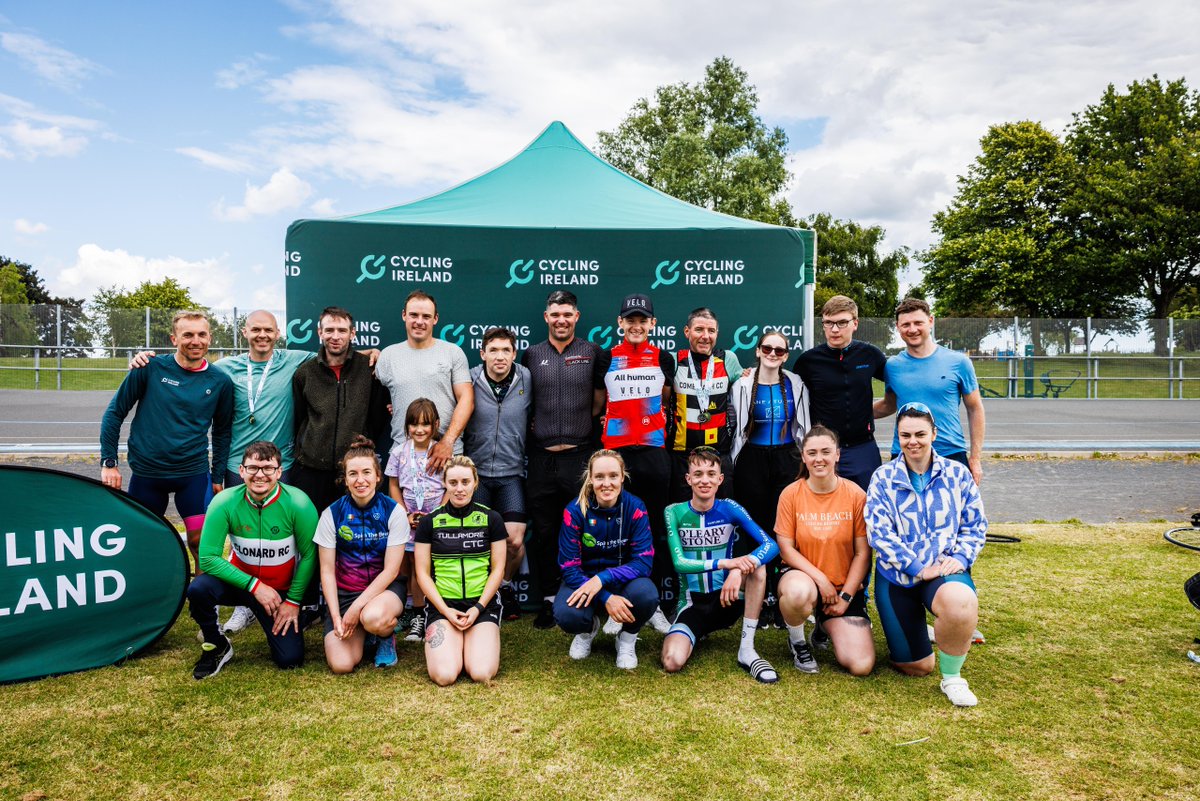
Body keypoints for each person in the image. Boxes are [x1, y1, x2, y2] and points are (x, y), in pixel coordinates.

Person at [866, 402, 987, 707]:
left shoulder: (958, 475)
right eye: (905, 435)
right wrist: (918, 567)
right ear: (898, 436)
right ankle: (929, 633)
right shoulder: (882, 478)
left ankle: (953, 679)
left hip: (944, 570)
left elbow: (975, 525)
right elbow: (879, 534)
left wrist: (960, 558)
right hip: (898, 577)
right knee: (918, 667)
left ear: (934, 433)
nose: (913, 441)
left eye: (920, 433)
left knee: (961, 604)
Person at [100, 311, 233, 570]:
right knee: (142, 539)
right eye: (188, 335)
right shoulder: (148, 368)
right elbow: (115, 413)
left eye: (201, 334)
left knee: (200, 541)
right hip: (148, 475)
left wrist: (217, 476)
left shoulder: (220, 382)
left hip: (192, 475)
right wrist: (109, 462)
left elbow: (222, 431)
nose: (195, 341)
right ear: (174, 339)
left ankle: (204, 604)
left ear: (210, 338)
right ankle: (150, 592)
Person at [187, 441, 318, 679]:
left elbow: (310, 554)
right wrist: (255, 586)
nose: (260, 475)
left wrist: (294, 601)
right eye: (253, 468)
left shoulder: (298, 503)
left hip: (278, 593)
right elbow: (207, 559)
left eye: (268, 468)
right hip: (241, 584)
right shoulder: (224, 502)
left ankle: (264, 615)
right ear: (241, 471)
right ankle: (216, 643)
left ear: (279, 472)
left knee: (290, 659)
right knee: (198, 589)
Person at [521, 290, 604, 629]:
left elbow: (599, 402)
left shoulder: (592, 352)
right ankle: (547, 599)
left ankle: (582, 595)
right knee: (543, 532)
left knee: (580, 530)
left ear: (576, 316)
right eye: (555, 314)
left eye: (567, 314)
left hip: (579, 456)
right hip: (541, 459)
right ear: (546, 317)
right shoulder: (530, 355)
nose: (561, 320)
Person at [661, 447, 780, 683]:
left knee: (757, 567)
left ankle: (747, 650)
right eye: (698, 474)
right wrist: (727, 563)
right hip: (693, 605)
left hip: (728, 598)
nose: (704, 480)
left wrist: (737, 570)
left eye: (710, 474)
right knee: (672, 661)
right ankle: (697, 633)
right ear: (688, 479)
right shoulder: (673, 512)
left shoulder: (729, 508)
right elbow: (679, 563)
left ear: (720, 479)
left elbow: (770, 545)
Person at [595, 293, 676, 633]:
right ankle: (619, 604)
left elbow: (667, 400)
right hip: (617, 454)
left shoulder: (663, 357)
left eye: (643, 320)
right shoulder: (606, 357)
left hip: (653, 452)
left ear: (652, 324)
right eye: (631, 319)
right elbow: (600, 404)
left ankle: (653, 602)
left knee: (655, 530)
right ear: (620, 323)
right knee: (617, 530)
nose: (637, 325)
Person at [775, 425, 875, 677]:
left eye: (826, 452)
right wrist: (820, 579)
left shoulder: (855, 495)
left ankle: (823, 626)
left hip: (841, 589)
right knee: (798, 593)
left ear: (837, 455)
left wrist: (846, 598)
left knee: (861, 665)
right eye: (812, 452)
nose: (819, 458)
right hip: (804, 580)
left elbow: (863, 553)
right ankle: (798, 642)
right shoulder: (791, 494)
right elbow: (786, 549)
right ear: (804, 456)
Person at [555, 449, 658, 670]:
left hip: (621, 581)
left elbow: (644, 562)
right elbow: (569, 568)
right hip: (584, 580)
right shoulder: (574, 511)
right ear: (590, 479)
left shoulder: (636, 507)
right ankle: (587, 630)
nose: (606, 483)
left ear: (623, 476)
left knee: (647, 595)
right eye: (600, 477)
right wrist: (606, 597)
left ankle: (627, 639)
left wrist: (603, 579)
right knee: (566, 614)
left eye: (613, 475)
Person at [316, 436, 410, 673]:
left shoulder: (394, 511)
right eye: (353, 474)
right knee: (342, 665)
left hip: (386, 590)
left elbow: (391, 570)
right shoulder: (331, 514)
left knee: (373, 616)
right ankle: (365, 632)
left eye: (367, 472)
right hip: (346, 592)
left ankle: (384, 636)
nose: (360, 480)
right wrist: (337, 616)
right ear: (345, 480)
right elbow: (326, 571)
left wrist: (357, 609)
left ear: (378, 476)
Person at [413, 455, 507, 686]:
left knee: (481, 672)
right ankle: (455, 642)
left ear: (475, 482)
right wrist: (445, 610)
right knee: (444, 676)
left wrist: (477, 609)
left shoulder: (491, 519)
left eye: (465, 482)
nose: (459, 489)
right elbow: (422, 574)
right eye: (453, 483)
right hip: (443, 606)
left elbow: (498, 570)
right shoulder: (430, 522)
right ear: (444, 483)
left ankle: (473, 640)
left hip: (481, 606)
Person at [874, 298, 986, 486]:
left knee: (951, 514)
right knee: (904, 515)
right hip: (905, 453)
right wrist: (850, 414)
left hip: (950, 452)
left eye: (918, 323)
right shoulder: (892, 366)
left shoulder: (958, 362)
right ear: (898, 327)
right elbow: (889, 404)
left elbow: (975, 409)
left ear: (931, 321)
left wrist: (975, 458)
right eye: (906, 324)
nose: (912, 329)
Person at [462, 327, 532, 620]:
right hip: (476, 473)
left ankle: (502, 587)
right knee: (474, 539)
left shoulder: (527, 378)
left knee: (514, 540)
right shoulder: (469, 378)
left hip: (511, 473)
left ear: (514, 354)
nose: (500, 356)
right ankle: (478, 596)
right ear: (483, 353)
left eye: (506, 350)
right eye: (494, 350)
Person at [292, 306, 390, 513]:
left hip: (354, 470)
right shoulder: (305, 373)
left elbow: (378, 416)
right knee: (312, 534)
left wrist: (366, 441)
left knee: (352, 533)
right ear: (320, 333)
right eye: (329, 330)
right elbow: (300, 418)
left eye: (342, 330)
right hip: (312, 470)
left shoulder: (370, 369)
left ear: (352, 333)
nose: (335, 336)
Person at [792, 295, 888, 491]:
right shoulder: (808, 361)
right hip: (823, 451)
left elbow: (898, 388)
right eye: (828, 323)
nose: (834, 329)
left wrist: (867, 414)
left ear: (855, 323)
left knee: (868, 508)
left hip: (863, 447)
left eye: (842, 323)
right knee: (825, 512)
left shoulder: (871, 355)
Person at [375, 289, 473, 475]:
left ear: (435, 319)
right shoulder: (388, 356)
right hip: (403, 454)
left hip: (445, 454)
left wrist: (447, 442)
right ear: (404, 315)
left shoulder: (453, 352)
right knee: (401, 505)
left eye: (426, 316)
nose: (419, 321)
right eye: (413, 315)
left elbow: (467, 399)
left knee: (448, 505)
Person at [729, 328, 811, 546]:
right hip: (751, 460)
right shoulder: (741, 385)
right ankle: (757, 573)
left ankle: (781, 573)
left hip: (788, 459)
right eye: (767, 348)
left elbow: (804, 426)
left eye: (779, 350)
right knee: (753, 520)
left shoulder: (796, 384)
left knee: (784, 520)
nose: (772, 353)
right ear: (757, 352)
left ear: (785, 356)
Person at [386, 398, 446, 643]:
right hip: (408, 521)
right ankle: (409, 612)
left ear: (435, 425)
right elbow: (392, 484)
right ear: (406, 426)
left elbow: (450, 487)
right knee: (406, 567)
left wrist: (436, 516)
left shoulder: (441, 452)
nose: (419, 430)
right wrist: (404, 515)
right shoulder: (399, 452)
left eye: (425, 424)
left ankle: (423, 616)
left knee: (425, 569)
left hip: (433, 522)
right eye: (414, 424)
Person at [668, 307, 743, 502]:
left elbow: (746, 389)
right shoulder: (674, 360)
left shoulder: (728, 359)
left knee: (723, 515)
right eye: (699, 329)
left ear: (717, 333)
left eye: (711, 331)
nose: (705, 336)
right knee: (683, 516)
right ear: (687, 332)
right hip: (682, 455)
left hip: (719, 455)